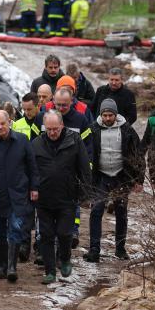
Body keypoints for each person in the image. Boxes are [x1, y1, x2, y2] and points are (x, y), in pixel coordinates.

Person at [32, 110, 91, 284]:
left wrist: (85, 194)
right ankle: (49, 271)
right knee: (46, 235)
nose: (52, 133)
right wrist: (31, 190)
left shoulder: (74, 140)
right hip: (44, 198)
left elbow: (84, 168)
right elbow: (30, 170)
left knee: (65, 233)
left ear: (62, 126)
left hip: (67, 196)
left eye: (55, 129)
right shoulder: (36, 144)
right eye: (49, 129)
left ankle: (65, 259)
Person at [0, 110, 39, 282]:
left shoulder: (22, 141)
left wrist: (34, 187)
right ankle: (2, 266)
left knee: (15, 227)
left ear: (9, 122)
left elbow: (32, 166)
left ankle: (12, 267)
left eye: (2, 124)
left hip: (18, 193)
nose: (0, 127)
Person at [83, 99, 145, 262]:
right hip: (100, 176)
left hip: (121, 176)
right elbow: (84, 152)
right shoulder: (93, 129)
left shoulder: (127, 130)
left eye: (110, 115)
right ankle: (94, 249)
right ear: (101, 115)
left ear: (116, 115)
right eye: (105, 115)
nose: (108, 118)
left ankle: (120, 248)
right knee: (96, 211)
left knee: (121, 212)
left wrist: (139, 178)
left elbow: (138, 154)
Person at [46, 88, 92, 248]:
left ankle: (72, 231)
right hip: (50, 172)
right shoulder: (46, 117)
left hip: (72, 173)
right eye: (57, 104)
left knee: (72, 207)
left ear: (72, 101)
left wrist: (86, 167)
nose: (61, 108)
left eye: (64, 105)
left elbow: (88, 145)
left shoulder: (80, 119)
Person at [12, 92, 43, 261]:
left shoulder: (46, 122)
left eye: (30, 109)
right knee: (25, 211)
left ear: (38, 106)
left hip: (43, 172)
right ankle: (24, 245)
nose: (27, 112)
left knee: (43, 212)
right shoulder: (18, 124)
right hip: (24, 173)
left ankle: (40, 245)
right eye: (24, 109)